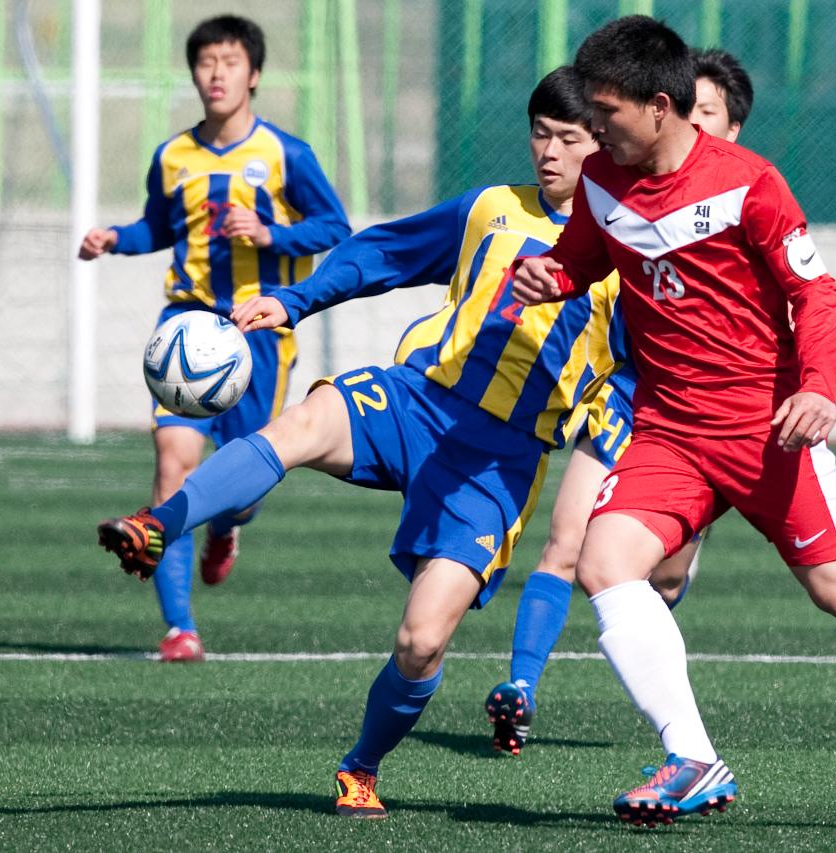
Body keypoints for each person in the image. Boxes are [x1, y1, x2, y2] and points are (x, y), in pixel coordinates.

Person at [511, 16, 836, 828]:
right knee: (604, 559)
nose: (594, 132)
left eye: (607, 115)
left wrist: (819, 388)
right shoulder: (602, 182)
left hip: (767, 427)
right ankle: (691, 755)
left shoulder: (749, 183)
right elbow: (583, 259)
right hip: (669, 429)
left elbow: (814, 295)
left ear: (659, 107)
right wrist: (552, 276)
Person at [95, 67, 620, 819]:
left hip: (498, 461)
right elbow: (383, 253)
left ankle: (361, 767)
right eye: (540, 133)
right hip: (416, 399)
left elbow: (661, 361)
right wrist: (292, 299)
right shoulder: (491, 209)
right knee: (300, 424)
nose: (549, 152)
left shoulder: (628, 255)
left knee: (420, 642)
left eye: (568, 139)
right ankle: (160, 525)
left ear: (604, 143)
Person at [482, 47, 756, 758]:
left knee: (662, 574)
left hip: (716, 419)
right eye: (686, 109)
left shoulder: (748, 204)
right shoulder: (630, 187)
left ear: (731, 132)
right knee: (565, 541)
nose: (691, 123)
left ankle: (670, 684)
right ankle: (520, 687)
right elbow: (577, 255)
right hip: (632, 391)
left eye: (708, 115)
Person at [78, 15, 350, 662]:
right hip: (185, 325)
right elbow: (157, 226)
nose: (217, 73)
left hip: (256, 330)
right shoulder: (172, 156)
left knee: (244, 484)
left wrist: (271, 236)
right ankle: (179, 627)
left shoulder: (287, 154)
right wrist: (117, 238)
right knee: (173, 465)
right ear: (195, 73)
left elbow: (334, 226)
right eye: (206, 62)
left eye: (230, 62)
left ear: (253, 75)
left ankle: (226, 526)